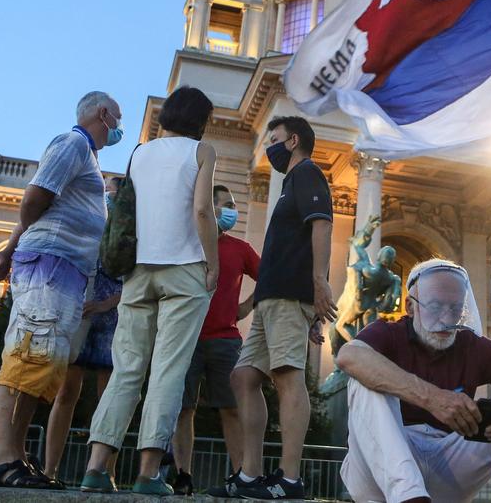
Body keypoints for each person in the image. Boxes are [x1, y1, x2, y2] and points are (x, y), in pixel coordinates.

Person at [79, 86, 220, 496]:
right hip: (185, 270)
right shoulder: (202, 151)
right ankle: (148, 473)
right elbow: (201, 210)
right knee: (168, 371)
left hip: (139, 271)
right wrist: (213, 262)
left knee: (126, 369)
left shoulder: (140, 152)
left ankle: (96, 468)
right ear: (200, 121)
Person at [335, 259, 491, 503]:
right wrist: (432, 398)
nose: (446, 318)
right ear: (410, 307)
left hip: (447, 468)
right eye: (435, 306)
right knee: (365, 376)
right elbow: (349, 356)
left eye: (455, 308)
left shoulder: (470, 345)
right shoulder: (389, 332)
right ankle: (409, 496)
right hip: (379, 473)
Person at [0, 91, 122, 489]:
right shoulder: (74, 143)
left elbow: (39, 207)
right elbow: (34, 200)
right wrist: (17, 249)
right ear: (103, 114)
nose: (120, 127)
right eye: (118, 118)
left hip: (64, 270)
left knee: (40, 359)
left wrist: (11, 250)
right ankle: (2, 458)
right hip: (50, 264)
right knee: (27, 351)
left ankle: (15, 455)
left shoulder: (88, 158)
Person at [230, 116, 337, 500]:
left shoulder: (307, 173)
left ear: (293, 141)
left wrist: (318, 284)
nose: (268, 147)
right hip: (271, 299)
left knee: (288, 376)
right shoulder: (288, 184)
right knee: (243, 377)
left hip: (291, 295)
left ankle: (289, 479)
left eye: (273, 139)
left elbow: (322, 224)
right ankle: (250, 474)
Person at [171, 184, 261, 496]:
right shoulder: (187, 243)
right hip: (187, 338)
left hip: (226, 340)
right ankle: (183, 474)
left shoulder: (240, 248)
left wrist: (245, 308)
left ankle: (240, 475)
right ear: (211, 208)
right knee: (183, 408)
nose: (234, 209)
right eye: (228, 204)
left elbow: (268, 277)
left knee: (232, 408)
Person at [43, 175, 125, 481]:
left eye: (111, 192)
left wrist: (108, 303)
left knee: (111, 398)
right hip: (81, 315)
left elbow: (137, 280)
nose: (106, 196)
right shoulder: (90, 225)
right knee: (66, 392)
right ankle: (50, 469)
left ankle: (106, 472)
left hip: (114, 321)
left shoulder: (132, 232)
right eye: (104, 191)